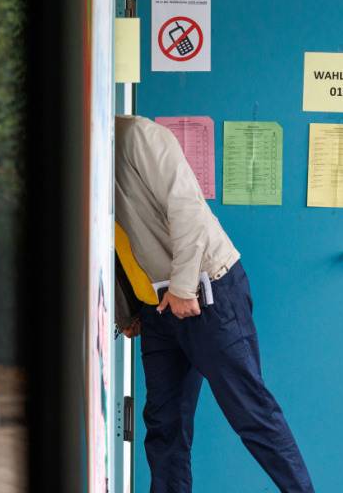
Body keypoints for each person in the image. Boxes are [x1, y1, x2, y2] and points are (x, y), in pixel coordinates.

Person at [112, 115, 314, 493]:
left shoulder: (139, 136)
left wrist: (183, 287)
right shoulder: (87, 156)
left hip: (206, 293)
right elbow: (118, 237)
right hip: (157, 307)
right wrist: (130, 310)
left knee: (250, 412)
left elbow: (187, 207)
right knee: (164, 424)